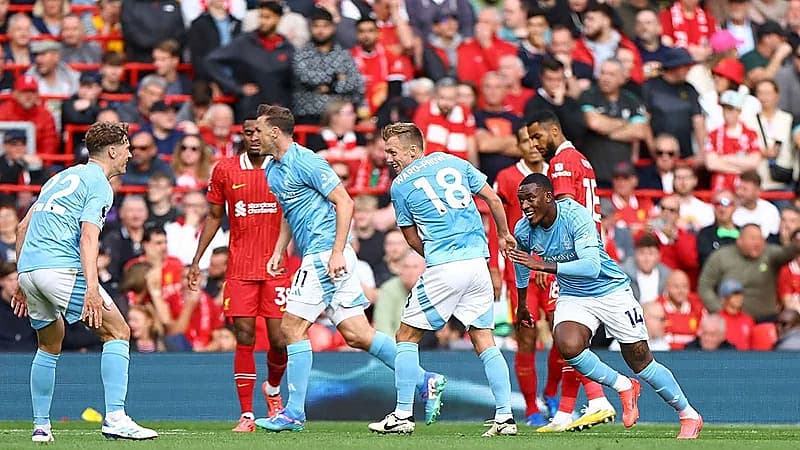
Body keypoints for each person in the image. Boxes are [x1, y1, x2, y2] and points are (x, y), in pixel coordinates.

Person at [252, 105, 440, 433]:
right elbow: (289, 211)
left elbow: (345, 201)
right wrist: (280, 249)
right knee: (357, 334)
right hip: (323, 253)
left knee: (291, 328)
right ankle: (426, 380)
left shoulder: (307, 161)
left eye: (259, 131)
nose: (253, 137)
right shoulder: (273, 170)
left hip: (326, 253)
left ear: (275, 133)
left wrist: (337, 251)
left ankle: (293, 412)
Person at [510, 173, 703, 440]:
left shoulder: (575, 216)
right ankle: (623, 386)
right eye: (521, 200)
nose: (525, 206)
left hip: (610, 290)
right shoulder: (523, 229)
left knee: (640, 361)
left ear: (548, 196)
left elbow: (591, 266)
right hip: (574, 295)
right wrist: (522, 303)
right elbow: (521, 262)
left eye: (530, 199)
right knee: (567, 344)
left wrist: (544, 265)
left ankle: (688, 414)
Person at [11, 121, 158, 442]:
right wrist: (92, 288)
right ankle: (116, 417)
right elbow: (88, 237)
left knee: (49, 343)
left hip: (30, 269)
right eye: (127, 148)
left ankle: (41, 426)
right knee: (118, 331)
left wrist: (23, 279)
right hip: (60, 267)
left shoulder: (59, 177)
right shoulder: (99, 184)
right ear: (112, 150)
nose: (130, 155)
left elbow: (22, 227)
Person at [369, 122, 517, 437]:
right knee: (484, 338)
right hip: (478, 263)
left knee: (406, 336)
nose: (389, 158)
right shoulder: (454, 162)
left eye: (393, 152)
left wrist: (435, 256)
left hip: (445, 266)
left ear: (412, 150)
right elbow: (493, 199)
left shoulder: (400, 185)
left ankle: (402, 415)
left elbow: (410, 235)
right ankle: (505, 417)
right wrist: (504, 234)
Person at [187, 116, 290, 432]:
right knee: (244, 336)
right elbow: (214, 215)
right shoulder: (226, 169)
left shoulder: (285, 167)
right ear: (242, 136)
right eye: (248, 132)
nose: (254, 137)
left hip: (276, 266)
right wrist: (197, 259)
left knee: (279, 339)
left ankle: (273, 389)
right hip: (241, 267)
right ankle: (246, 414)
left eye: (259, 132)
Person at [526, 110, 618, 432]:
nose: (534, 144)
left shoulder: (561, 163)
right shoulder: (582, 160)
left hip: (572, 257)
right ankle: (565, 412)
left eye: (538, 136)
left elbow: (563, 211)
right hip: (591, 252)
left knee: (567, 335)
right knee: (569, 334)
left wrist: (545, 257)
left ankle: (598, 400)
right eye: (530, 139)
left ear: (554, 130)